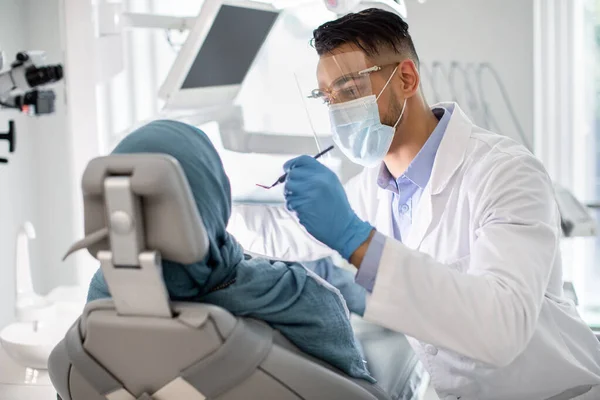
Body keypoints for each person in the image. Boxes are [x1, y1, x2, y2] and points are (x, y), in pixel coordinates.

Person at [228, 8, 600, 400]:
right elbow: (281, 232)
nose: (339, 113)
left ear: (406, 78)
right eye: (329, 98)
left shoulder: (505, 173)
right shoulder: (373, 189)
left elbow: (502, 328)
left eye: (350, 91)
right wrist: (197, 206)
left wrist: (357, 241)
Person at [85, 120, 374, 383]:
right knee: (324, 271)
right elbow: (357, 387)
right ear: (216, 193)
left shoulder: (99, 308)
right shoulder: (301, 298)